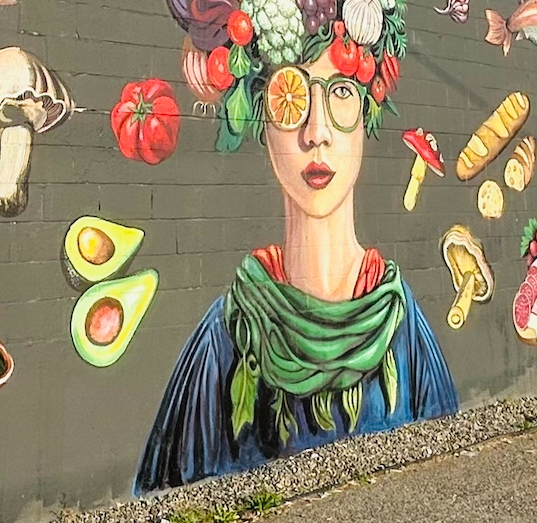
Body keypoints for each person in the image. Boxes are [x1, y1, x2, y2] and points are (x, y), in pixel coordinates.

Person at [135, 45, 456, 491]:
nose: (316, 132)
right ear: (263, 129)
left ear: (367, 120)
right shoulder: (225, 337)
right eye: (292, 97)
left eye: (341, 92)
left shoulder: (401, 324)